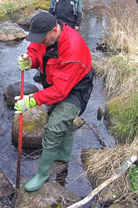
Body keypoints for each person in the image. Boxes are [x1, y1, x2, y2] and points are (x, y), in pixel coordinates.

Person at [15, 12, 93, 192]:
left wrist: (31, 100)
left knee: (53, 127)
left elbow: (60, 91)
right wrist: (29, 60)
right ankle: (64, 157)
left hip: (76, 89)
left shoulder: (72, 48)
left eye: (41, 38)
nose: (38, 41)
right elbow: (36, 51)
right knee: (60, 120)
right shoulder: (44, 35)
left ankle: (43, 173)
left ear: (54, 30)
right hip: (56, 82)